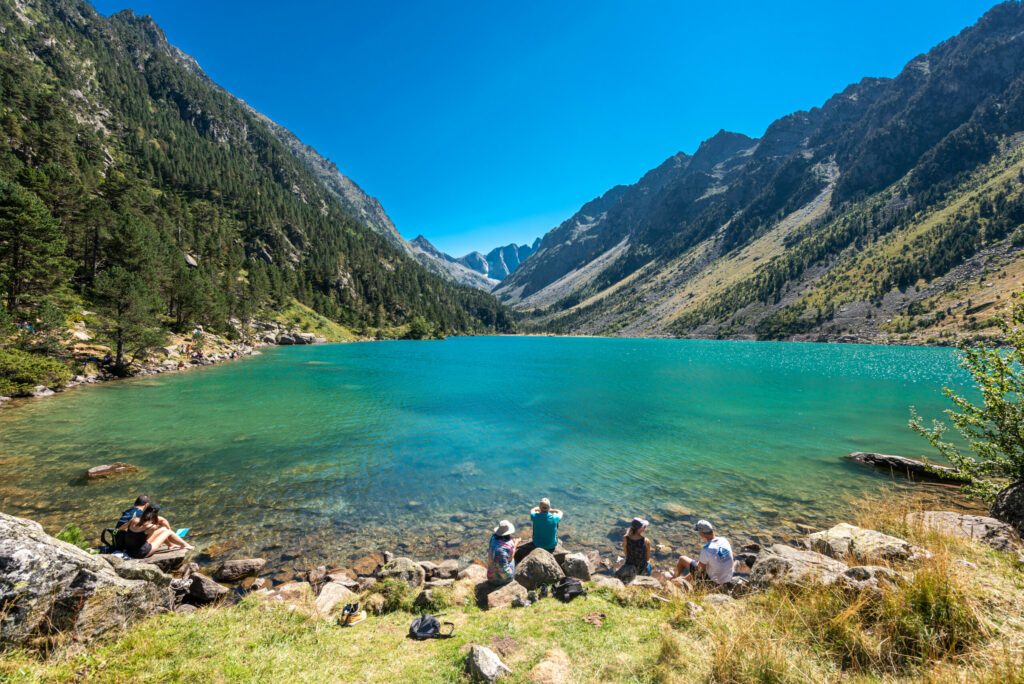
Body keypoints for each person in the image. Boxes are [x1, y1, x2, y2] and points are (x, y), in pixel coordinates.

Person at [664, 519, 734, 586]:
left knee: (682, 559)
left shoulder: (707, 549)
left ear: (702, 533)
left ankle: (674, 579)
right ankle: (680, 578)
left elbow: (698, 571)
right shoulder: (724, 540)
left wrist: (684, 579)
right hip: (727, 579)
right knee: (703, 562)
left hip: (714, 582)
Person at [123, 504, 193, 559]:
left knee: (163, 530)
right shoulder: (150, 527)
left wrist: (134, 534)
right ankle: (185, 545)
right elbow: (149, 539)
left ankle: (171, 545)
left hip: (129, 551)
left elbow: (122, 528)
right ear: (156, 514)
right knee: (167, 531)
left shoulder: (134, 520)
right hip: (141, 553)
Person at [487, 520, 518, 586]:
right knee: (512, 558)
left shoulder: (492, 538)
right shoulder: (509, 544)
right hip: (504, 580)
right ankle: (510, 577)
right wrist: (515, 545)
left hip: (491, 578)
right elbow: (510, 559)